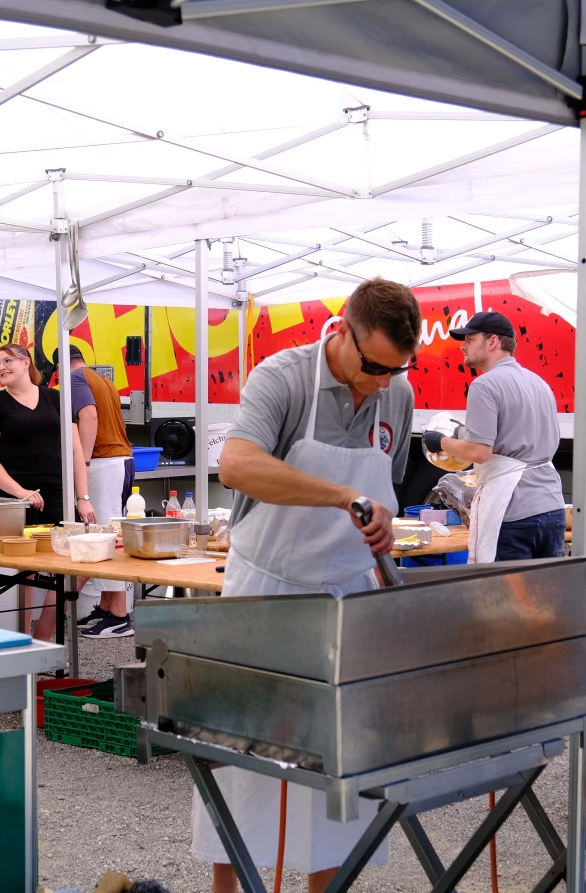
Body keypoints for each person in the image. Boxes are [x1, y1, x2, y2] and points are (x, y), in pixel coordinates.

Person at [191, 278, 421, 893]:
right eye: (374, 367)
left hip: (346, 595)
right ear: (341, 331)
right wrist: (343, 495)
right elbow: (237, 464)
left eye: (397, 369)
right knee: (242, 752)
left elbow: (387, 487)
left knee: (342, 763)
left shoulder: (396, 393)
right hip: (266, 588)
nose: (383, 383)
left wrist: (382, 522)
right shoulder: (283, 378)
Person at [424, 309, 565, 562]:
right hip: (552, 506)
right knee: (548, 587)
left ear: (492, 341)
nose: (463, 346)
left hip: (513, 509)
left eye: (470, 339)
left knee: (505, 589)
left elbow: (479, 451)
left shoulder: (484, 385)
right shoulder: (540, 383)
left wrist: (440, 441)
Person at [0, 343, 95, 640]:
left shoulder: (56, 399)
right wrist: (21, 492)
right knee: (24, 573)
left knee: (79, 565)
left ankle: (41, 636)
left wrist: (82, 497)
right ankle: (21, 642)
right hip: (13, 502)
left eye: (7, 361)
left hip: (57, 497)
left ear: (26, 362)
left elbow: (76, 452)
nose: (1, 368)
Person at [53, 346, 137, 639]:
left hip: (104, 463)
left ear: (59, 368)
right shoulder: (102, 379)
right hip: (122, 460)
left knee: (104, 537)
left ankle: (119, 617)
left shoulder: (74, 379)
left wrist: (84, 462)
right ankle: (105, 608)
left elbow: (89, 416)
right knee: (106, 532)